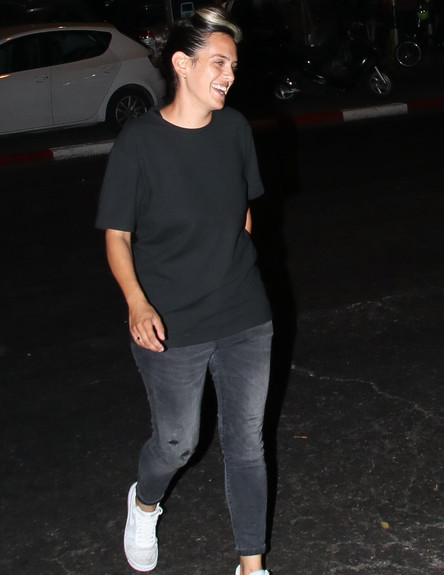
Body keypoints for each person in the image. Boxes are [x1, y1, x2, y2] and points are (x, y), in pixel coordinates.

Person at [95, 7, 273, 575]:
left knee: (247, 443)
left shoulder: (235, 130)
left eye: (234, 65)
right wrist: (137, 302)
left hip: (244, 312)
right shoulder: (139, 143)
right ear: (182, 64)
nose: (229, 75)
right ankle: (144, 503)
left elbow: (243, 212)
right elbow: (118, 235)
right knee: (177, 443)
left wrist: (234, 268)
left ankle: (252, 566)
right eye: (219, 63)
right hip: (171, 320)